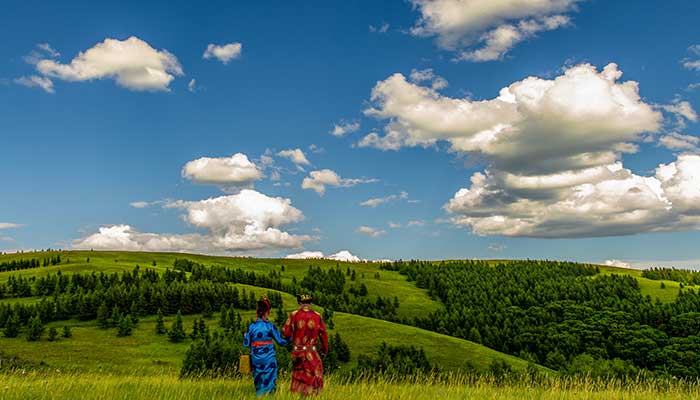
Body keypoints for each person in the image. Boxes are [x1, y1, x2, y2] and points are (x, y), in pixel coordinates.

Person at [282, 294, 329, 396]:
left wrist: (292, 336)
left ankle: (298, 396)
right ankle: (312, 396)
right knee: (314, 374)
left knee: (298, 376)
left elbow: (285, 332)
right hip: (311, 352)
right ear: (310, 304)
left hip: (297, 352)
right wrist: (324, 349)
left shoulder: (294, 315)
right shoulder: (317, 316)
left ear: (300, 303)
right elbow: (323, 334)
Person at [243, 298, 289, 396]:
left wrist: (245, 336)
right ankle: (269, 396)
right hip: (268, 358)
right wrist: (292, 338)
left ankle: (259, 396)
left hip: (256, 359)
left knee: (258, 379)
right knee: (270, 378)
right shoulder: (269, 326)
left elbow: (246, 344)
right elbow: (281, 341)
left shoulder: (251, 327)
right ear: (266, 312)